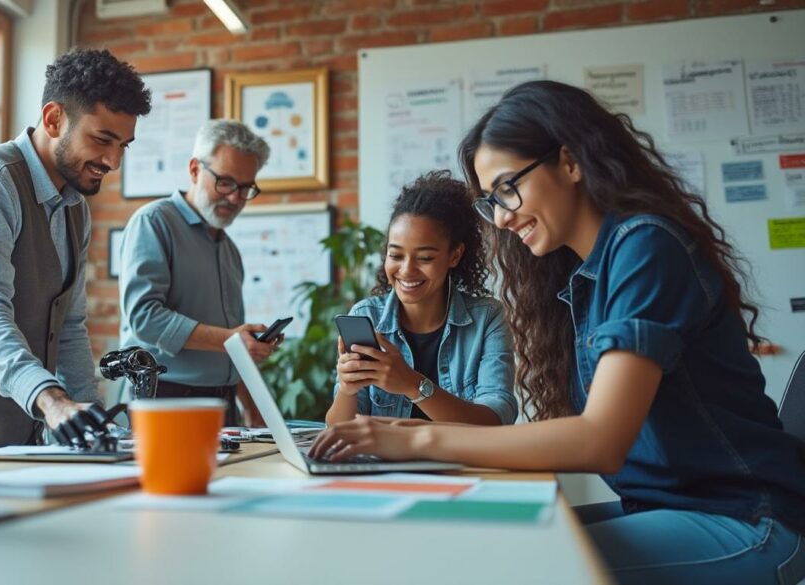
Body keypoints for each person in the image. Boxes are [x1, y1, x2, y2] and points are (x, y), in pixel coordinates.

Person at [310, 80, 805, 585]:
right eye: (491, 202)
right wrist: (396, 430)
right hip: (668, 508)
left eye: (507, 188)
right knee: (469, 540)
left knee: (491, 565)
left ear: (570, 162)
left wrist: (418, 440)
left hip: (745, 521)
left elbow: (600, 440)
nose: (501, 218)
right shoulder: (584, 278)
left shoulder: (647, 247)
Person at [0, 49, 151, 447]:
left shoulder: (74, 208)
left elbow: (68, 327)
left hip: (19, 435)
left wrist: (93, 422)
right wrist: (52, 402)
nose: (113, 161)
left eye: (124, 145)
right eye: (102, 139)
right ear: (54, 119)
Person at [324, 171, 517, 427]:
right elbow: (338, 429)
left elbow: (495, 421)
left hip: (459, 465)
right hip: (386, 466)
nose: (406, 271)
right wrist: (347, 390)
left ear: (455, 256)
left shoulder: (487, 318)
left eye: (425, 258)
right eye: (396, 256)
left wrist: (412, 384)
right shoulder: (366, 316)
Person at [118, 119, 277, 427]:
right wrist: (231, 339)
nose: (235, 198)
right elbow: (145, 319)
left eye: (246, 188)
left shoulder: (228, 248)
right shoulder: (153, 223)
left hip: (223, 406)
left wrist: (254, 409)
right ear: (194, 170)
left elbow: (230, 346)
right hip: (164, 402)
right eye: (226, 182)